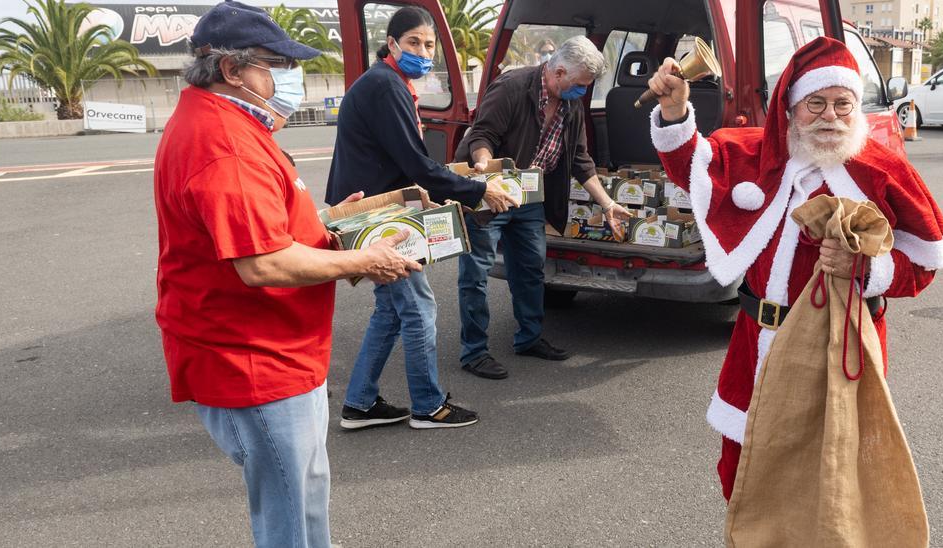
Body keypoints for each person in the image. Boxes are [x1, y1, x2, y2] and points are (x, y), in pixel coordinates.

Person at [155, 2, 423, 546]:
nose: (290, 76)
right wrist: (366, 260)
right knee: (290, 515)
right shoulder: (225, 144)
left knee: (304, 493)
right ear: (232, 70)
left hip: (276, 351)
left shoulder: (226, 121)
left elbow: (262, 229)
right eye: (276, 63)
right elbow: (263, 263)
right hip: (254, 357)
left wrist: (329, 223)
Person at [646, 37, 943, 500]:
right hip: (758, 343)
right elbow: (689, 166)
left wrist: (865, 267)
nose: (830, 116)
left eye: (843, 104)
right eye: (816, 103)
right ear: (791, 109)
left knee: (832, 472)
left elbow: (924, 261)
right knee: (744, 463)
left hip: (845, 344)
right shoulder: (756, 155)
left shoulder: (884, 171)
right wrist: (674, 111)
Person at [325, 8, 518, 430]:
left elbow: (398, 162)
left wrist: (427, 195)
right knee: (418, 310)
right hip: (376, 216)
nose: (423, 51)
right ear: (392, 43)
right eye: (413, 42)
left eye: (429, 45)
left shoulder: (391, 82)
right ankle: (428, 406)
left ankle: (360, 403)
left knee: (391, 312)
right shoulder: (385, 86)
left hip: (381, 208)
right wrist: (478, 190)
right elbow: (415, 162)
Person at [452, 36, 627, 380]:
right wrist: (485, 174)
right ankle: (474, 352)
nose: (582, 93)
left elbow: (580, 160)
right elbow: (482, 135)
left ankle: (529, 338)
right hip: (491, 194)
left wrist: (607, 202)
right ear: (558, 71)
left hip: (529, 195)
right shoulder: (513, 87)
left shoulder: (570, 103)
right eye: (579, 85)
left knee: (531, 268)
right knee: (475, 274)